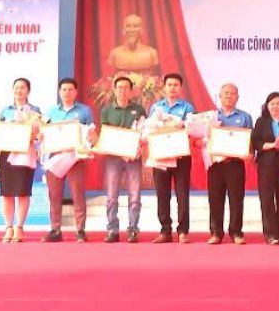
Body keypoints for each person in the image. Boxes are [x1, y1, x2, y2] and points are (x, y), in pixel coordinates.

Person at [41, 78, 94, 243]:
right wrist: (41, 135)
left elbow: (91, 132)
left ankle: (80, 230)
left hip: (75, 157)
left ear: (76, 92)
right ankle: (55, 229)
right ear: (59, 92)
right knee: (54, 195)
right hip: (55, 156)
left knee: (78, 193)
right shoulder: (50, 112)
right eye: (64, 90)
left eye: (70, 89)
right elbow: (44, 132)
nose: (67, 92)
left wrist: (89, 142)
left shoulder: (85, 111)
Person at [149, 73, 194, 244]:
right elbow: (150, 128)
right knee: (162, 194)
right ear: (164, 87)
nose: (172, 88)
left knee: (182, 194)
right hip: (161, 155)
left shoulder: (187, 107)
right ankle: (165, 230)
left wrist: (182, 125)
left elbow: (192, 128)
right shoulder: (156, 107)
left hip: (181, 155)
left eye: (176, 85)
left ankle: (183, 231)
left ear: (180, 88)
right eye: (169, 84)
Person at [207, 83, 254, 245]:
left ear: (237, 97)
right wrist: (201, 142)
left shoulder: (245, 117)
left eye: (232, 93)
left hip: (235, 164)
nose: (229, 96)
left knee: (236, 199)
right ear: (219, 96)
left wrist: (250, 153)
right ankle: (216, 233)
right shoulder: (211, 117)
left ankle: (236, 232)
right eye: (225, 93)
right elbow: (201, 139)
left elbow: (250, 141)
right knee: (215, 199)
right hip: (215, 164)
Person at [100, 76, 146, 243]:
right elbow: (105, 134)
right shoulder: (107, 110)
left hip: (133, 157)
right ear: (114, 89)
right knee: (112, 196)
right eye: (119, 87)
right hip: (113, 157)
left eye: (126, 87)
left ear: (131, 90)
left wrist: (138, 143)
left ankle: (133, 229)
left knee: (135, 195)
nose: (122, 90)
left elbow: (143, 132)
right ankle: (112, 229)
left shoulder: (139, 110)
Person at [0, 78, 40, 243]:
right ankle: (8, 227)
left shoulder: (35, 111)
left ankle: (19, 227)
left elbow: (39, 132)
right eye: (16, 88)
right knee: (6, 193)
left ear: (28, 91)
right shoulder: (4, 111)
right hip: (7, 154)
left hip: (25, 153)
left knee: (23, 191)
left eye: (22, 88)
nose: (19, 91)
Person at [252, 92, 279, 245]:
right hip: (266, 165)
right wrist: (273, 145)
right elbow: (256, 143)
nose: (275, 106)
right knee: (267, 199)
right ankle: (270, 234)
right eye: (272, 103)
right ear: (267, 106)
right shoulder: (261, 122)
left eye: (278, 103)